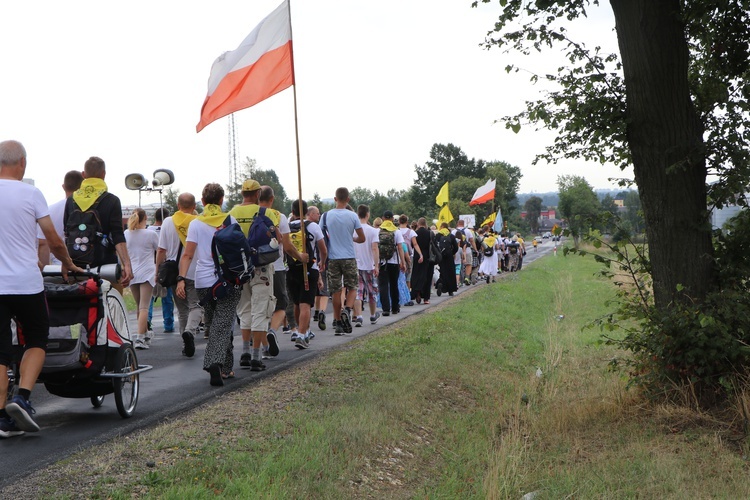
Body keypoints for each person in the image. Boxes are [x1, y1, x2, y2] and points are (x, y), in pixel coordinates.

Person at [0, 140, 85, 436]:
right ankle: (22, 397)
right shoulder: (31, 193)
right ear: (22, 162)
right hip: (25, 282)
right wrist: (68, 263)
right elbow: (53, 238)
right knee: (37, 336)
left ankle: (2, 416)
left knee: (0, 349)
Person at [229, 181, 308, 370]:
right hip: (261, 267)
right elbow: (280, 240)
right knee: (261, 311)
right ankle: (257, 356)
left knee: (245, 310)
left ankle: (245, 353)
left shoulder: (231, 213)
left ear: (242, 193)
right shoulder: (270, 214)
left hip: (239, 269)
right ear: (257, 194)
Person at [177, 183, 241, 386]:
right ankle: (215, 363)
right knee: (223, 323)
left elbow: (187, 254)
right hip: (228, 280)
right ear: (222, 200)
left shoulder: (196, 224)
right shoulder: (230, 220)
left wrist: (181, 278)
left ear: (202, 202)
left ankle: (226, 367)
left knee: (216, 323)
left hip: (203, 281)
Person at [64, 156, 133, 291]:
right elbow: (118, 235)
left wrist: (65, 262)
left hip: (76, 268)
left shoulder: (71, 200)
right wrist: (127, 265)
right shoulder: (112, 200)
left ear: (84, 175)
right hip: (106, 268)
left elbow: (66, 234)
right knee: (111, 305)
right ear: (104, 174)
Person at [155, 193, 201, 357]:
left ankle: (185, 342)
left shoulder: (168, 222)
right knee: (196, 305)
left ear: (178, 205)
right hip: (194, 269)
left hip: (174, 271)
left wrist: (157, 271)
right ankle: (190, 331)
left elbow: (161, 250)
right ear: (194, 206)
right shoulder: (198, 222)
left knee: (182, 309)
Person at [321, 187, 365, 334]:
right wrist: (353, 238)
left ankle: (338, 321)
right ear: (348, 199)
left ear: (335, 199)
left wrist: (322, 259)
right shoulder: (353, 216)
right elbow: (362, 238)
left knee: (335, 291)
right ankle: (347, 309)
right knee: (352, 286)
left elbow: (321, 238)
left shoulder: (326, 216)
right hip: (349, 256)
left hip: (332, 257)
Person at [285, 199, 327, 345]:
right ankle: (302, 335)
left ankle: (301, 330)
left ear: (293, 211)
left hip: (290, 269)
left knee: (297, 303)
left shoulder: (287, 227)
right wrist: (322, 261)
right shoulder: (313, 226)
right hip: (309, 268)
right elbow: (323, 249)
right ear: (305, 212)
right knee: (305, 304)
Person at [125, 208, 160, 349]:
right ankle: (140, 338)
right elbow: (161, 251)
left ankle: (144, 333)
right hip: (147, 272)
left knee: (139, 305)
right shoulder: (150, 234)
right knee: (144, 306)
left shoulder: (127, 233)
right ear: (145, 218)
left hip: (133, 272)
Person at [37, 170, 83, 266]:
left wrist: (45, 272)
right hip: (87, 265)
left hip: (58, 267)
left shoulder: (49, 211)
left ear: (63, 187)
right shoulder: (89, 210)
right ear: (83, 187)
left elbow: (43, 243)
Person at [353, 204, 380, 327]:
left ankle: (358, 316)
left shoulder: (353, 229)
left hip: (355, 264)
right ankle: (373, 315)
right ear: (368, 214)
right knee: (371, 291)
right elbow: (374, 248)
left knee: (358, 291)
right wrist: (376, 265)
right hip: (369, 264)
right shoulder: (373, 230)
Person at [148, 208, 174, 334]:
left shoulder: (148, 230)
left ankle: (147, 321)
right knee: (167, 297)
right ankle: (168, 324)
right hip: (165, 266)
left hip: (150, 266)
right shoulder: (168, 231)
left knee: (149, 297)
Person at [377, 210, 406, 316]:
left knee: (383, 286)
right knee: (394, 285)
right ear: (392, 219)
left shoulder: (378, 231)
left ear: (383, 218)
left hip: (382, 262)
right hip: (394, 262)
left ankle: (385, 309)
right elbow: (400, 247)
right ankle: (394, 307)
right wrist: (403, 262)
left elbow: (375, 247)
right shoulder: (396, 231)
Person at [410, 218, 435, 304]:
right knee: (427, 276)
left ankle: (417, 291)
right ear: (425, 224)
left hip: (417, 255)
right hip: (427, 256)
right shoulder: (429, 233)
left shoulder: (415, 233)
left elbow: (412, 245)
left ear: (418, 224)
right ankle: (426, 298)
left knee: (416, 274)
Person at [436, 222, 459, 296]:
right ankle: (450, 290)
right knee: (450, 272)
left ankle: (440, 283)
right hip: (449, 256)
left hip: (440, 256)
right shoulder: (451, 235)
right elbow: (456, 247)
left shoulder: (438, 235)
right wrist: (452, 253)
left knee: (442, 271)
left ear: (442, 226)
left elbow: (435, 245)